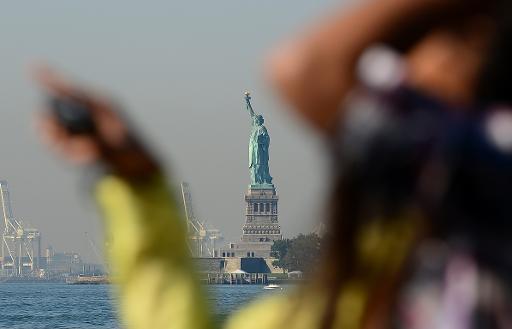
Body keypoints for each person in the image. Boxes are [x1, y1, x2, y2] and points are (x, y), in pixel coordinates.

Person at [35, 0, 512, 328]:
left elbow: (303, 69)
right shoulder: (376, 283)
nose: (393, 76)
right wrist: (137, 180)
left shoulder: (473, 208)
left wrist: (138, 188)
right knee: (257, 162)